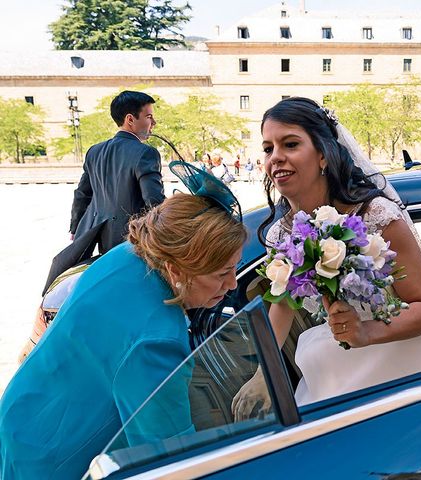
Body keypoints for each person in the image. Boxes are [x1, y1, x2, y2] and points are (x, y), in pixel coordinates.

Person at [232, 97, 421, 413]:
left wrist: (365, 332)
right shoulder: (281, 235)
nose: (275, 157)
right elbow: (284, 303)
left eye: (290, 144)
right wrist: (263, 375)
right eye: (268, 149)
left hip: (418, 354)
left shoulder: (376, 216)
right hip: (340, 360)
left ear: (322, 155)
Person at [0, 165, 246, 480]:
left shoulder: (129, 255)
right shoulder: (157, 342)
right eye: (222, 273)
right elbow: (171, 455)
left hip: (25, 410)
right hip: (55, 456)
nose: (233, 285)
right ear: (175, 270)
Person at [69, 90, 165, 255]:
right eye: (149, 117)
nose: (153, 122)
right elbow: (154, 203)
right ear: (130, 119)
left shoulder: (94, 151)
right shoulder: (146, 153)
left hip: (95, 239)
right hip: (131, 243)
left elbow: (82, 194)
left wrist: (75, 228)